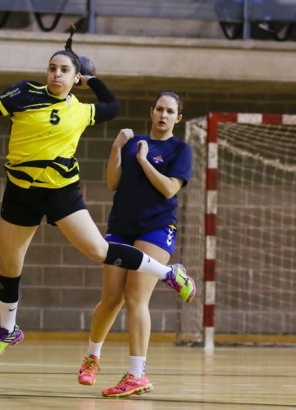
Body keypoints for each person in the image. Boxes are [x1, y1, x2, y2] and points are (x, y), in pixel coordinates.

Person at [0, 31, 195, 362]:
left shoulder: (81, 110)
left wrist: (94, 80)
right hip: (20, 191)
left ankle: (170, 274)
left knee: (98, 250)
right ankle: (8, 330)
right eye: (52, 68)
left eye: (63, 70)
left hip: (60, 192)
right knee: (9, 263)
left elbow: (112, 106)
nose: (56, 74)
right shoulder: (24, 92)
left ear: (75, 79)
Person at [77, 91, 193, 398]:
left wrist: (143, 160)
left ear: (177, 118)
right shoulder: (131, 142)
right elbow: (113, 182)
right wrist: (117, 149)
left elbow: (169, 189)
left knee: (135, 298)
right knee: (111, 298)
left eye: (170, 111)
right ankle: (92, 357)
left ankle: (137, 374)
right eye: (159, 109)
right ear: (151, 111)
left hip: (156, 228)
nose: (163, 115)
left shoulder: (180, 149)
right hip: (121, 227)